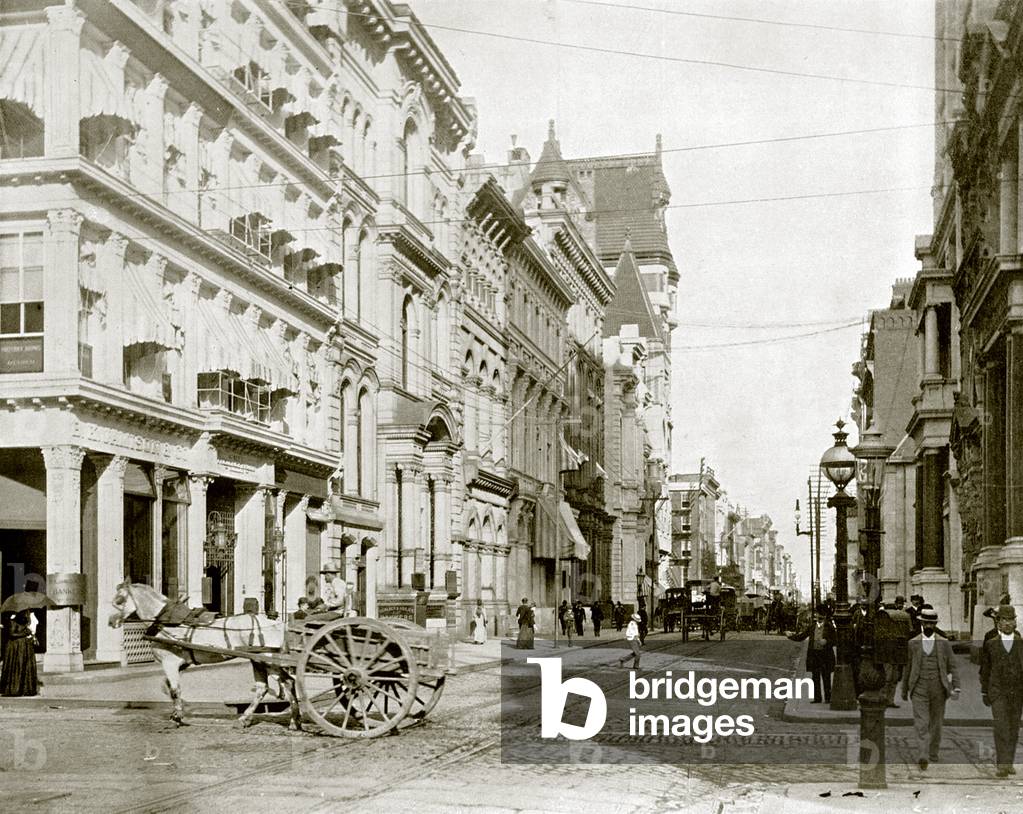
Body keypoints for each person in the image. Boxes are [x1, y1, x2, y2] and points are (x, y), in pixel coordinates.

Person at [903, 607, 960, 771]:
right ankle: (923, 754)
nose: (928, 626)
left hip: (939, 687)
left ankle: (933, 751)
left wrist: (956, 687)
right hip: (919, 687)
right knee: (921, 723)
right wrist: (904, 689)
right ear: (921, 623)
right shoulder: (913, 643)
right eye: (925, 623)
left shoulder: (944, 643)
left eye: (931, 623)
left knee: (936, 723)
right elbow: (908, 667)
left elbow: (953, 666)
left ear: (935, 624)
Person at [980, 604, 1023, 777]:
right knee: (1001, 726)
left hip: (1017, 692)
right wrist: (984, 691)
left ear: (1015, 623)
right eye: (1003, 620)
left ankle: (1009, 762)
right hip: (997, 692)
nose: (1007, 623)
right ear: (998, 623)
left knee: (1013, 727)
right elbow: (985, 669)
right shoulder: (991, 644)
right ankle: (1002, 764)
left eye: (1010, 620)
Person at [788, 605, 835, 703]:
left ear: (825, 616)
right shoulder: (812, 626)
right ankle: (817, 698)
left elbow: (836, 640)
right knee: (815, 677)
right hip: (814, 655)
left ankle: (828, 698)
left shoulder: (829, 626)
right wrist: (791, 636)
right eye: (818, 615)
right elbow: (802, 636)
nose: (820, 617)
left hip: (825, 655)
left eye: (822, 616)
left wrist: (826, 641)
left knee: (826, 677)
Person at [1, 611, 39, 697]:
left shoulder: (25, 621)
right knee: (17, 665)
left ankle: (25, 689)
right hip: (16, 647)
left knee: (24, 666)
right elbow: (12, 634)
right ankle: (15, 688)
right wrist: (25, 633)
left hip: (24, 647)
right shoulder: (13, 621)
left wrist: (30, 632)